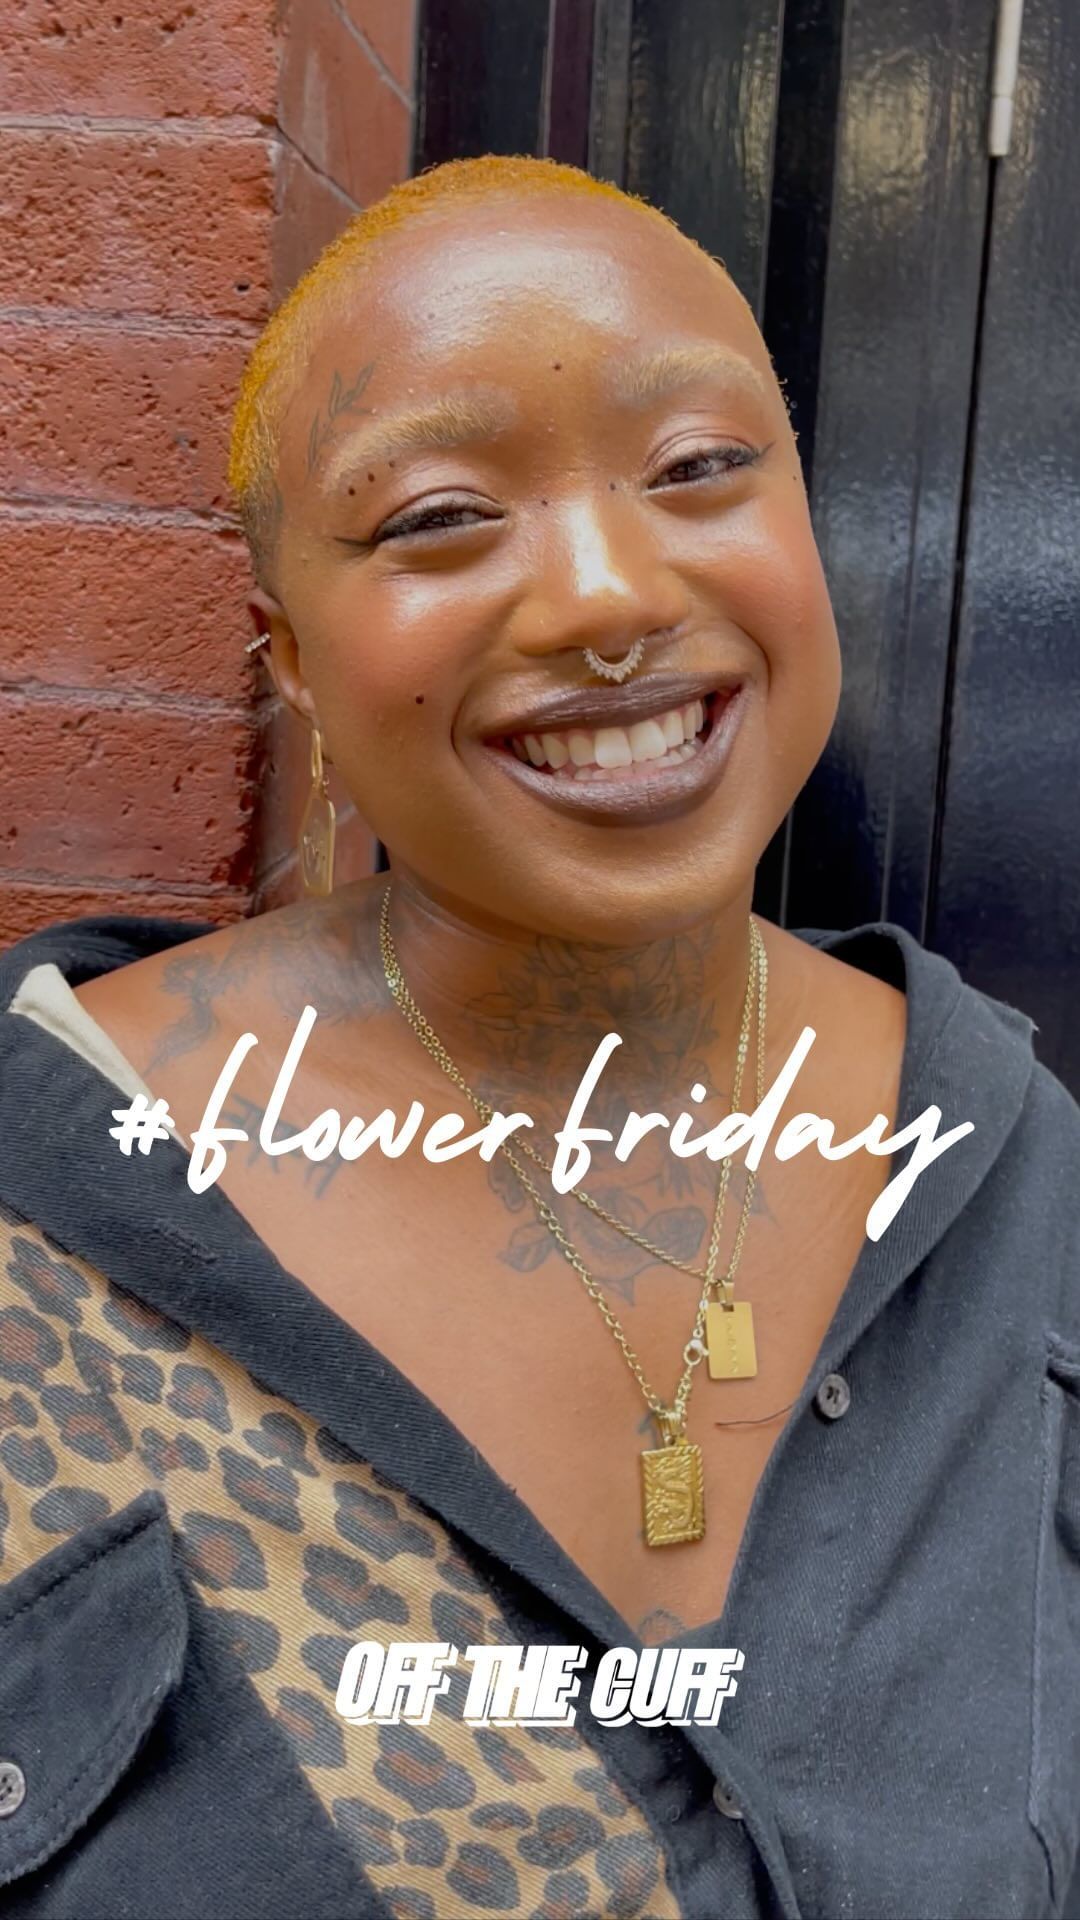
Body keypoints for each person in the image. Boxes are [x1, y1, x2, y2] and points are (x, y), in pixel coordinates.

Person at [0, 154, 1077, 1920]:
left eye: (702, 468)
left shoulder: (1020, 1181)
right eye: (439, 515)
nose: (605, 597)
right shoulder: (45, 1215)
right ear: (291, 656)